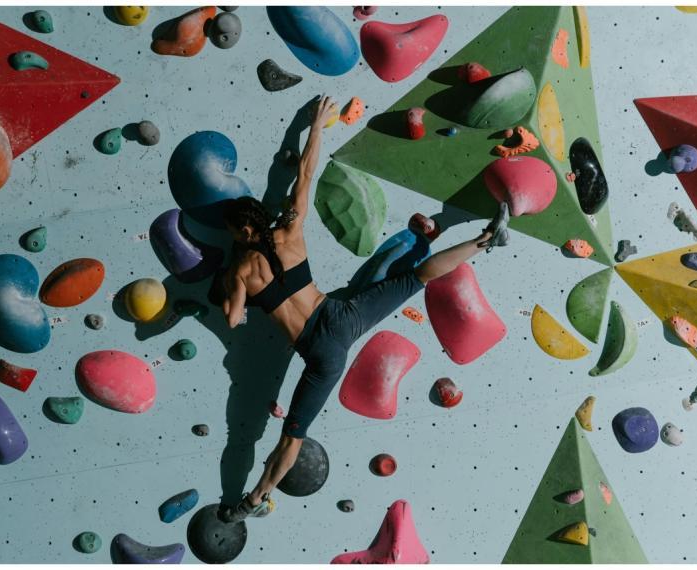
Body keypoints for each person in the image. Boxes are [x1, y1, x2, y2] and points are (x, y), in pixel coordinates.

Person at [217, 96, 510, 522]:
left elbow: (231, 318)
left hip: (320, 354)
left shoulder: (240, 271)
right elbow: (305, 173)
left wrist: (231, 288)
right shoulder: (290, 230)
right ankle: (486, 240)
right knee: (415, 278)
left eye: (231, 232)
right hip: (340, 317)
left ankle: (252, 501)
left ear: (244, 231)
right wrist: (316, 125)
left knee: (292, 436)